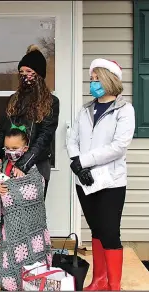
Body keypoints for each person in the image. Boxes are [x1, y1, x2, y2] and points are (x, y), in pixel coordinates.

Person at [66, 58, 135, 291]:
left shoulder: (125, 110)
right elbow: (72, 137)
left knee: (110, 232)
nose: (92, 83)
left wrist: (83, 161)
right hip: (84, 181)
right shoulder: (85, 110)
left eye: (97, 79)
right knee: (96, 229)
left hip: (111, 182)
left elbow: (118, 146)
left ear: (109, 79)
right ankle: (99, 280)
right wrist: (76, 163)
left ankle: (114, 285)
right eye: (91, 79)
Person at [0, 125, 52, 291]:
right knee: (11, 253)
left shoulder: (30, 166)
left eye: (15, 148)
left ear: (25, 148)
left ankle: (33, 281)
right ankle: (11, 281)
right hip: (10, 223)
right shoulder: (1, 165)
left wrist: (11, 189)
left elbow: (36, 188)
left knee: (32, 252)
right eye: (7, 148)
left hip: (30, 223)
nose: (10, 151)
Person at [0, 45, 59, 199]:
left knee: (33, 212)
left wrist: (22, 165)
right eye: (21, 72)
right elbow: (1, 131)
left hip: (36, 164)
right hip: (9, 162)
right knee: (10, 208)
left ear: (39, 75)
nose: (24, 76)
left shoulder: (50, 102)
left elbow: (45, 136)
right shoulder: (13, 100)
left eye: (29, 72)